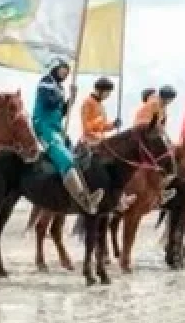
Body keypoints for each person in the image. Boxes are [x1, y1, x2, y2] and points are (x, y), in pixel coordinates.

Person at [33, 58, 102, 214]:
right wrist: (63, 95)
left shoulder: (59, 87)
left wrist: (71, 100)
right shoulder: (46, 81)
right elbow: (49, 102)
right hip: (44, 127)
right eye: (63, 69)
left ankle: (84, 192)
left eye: (67, 70)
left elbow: (61, 111)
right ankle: (83, 200)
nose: (65, 72)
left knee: (77, 157)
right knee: (66, 159)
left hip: (57, 128)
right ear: (55, 67)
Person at [80, 77, 120, 144]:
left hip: (100, 140)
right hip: (89, 141)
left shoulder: (101, 105)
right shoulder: (87, 102)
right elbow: (86, 127)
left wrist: (113, 124)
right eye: (107, 92)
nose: (108, 95)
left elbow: (103, 126)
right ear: (99, 90)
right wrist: (99, 121)